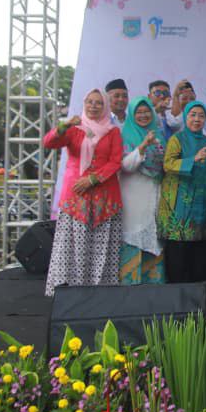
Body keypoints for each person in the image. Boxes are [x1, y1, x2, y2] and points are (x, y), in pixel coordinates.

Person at [42, 88, 124, 296]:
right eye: (90, 102)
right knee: (72, 245)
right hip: (76, 196)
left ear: (105, 106)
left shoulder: (113, 131)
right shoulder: (74, 129)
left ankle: (100, 292)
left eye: (99, 103)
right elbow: (49, 143)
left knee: (101, 246)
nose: (93, 106)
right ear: (84, 104)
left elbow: (115, 161)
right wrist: (65, 125)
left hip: (104, 196)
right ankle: (69, 292)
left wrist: (93, 179)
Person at [157, 100, 206, 284]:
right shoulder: (177, 140)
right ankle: (176, 297)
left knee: (199, 257)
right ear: (186, 117)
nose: (197, 119)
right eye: (193, 115)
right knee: (177, 256)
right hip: (177, 207)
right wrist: (193, 159)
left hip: (202, 208)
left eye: (201, 116)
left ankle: (197, 298)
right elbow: (168, 164)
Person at [118, 96, 166, 285]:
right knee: (133, 236)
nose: (144, 115)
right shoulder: (125, 135)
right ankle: (130, 287)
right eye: (139, 112)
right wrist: (144, 145)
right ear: (132, 115)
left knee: (154, 237)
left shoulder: (159, 135)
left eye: (147, 111)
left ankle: (154, 288)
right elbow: (126, 166)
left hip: (155, 192)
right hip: (133, 195)